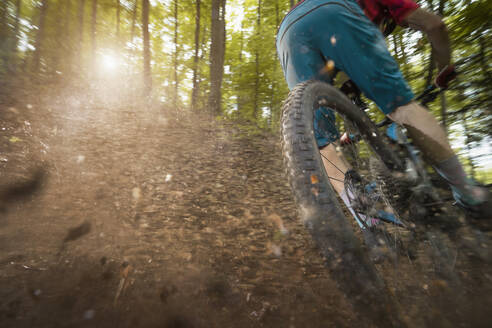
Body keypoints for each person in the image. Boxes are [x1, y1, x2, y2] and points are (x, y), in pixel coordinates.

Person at [276, 0, 490, 223]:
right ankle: (468, 193)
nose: (383, 32)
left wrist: (350, 128)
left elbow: (343, 93)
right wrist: (445, 69)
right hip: (334, 11)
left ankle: (368, 223)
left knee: (320, 138)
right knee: (403, 108)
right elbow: (435, 25)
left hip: (287, 33)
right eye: (386, 28)